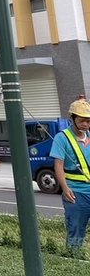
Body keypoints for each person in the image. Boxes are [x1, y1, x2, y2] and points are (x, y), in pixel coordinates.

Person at [51, 96, 90, 258]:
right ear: (72, 119)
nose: (86, 125)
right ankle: (73, 258)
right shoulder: (62, 138)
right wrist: (65, 188)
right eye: (82, 121)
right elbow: (58, 165)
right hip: (75, 192)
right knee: (76, 228)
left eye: (88, 121)